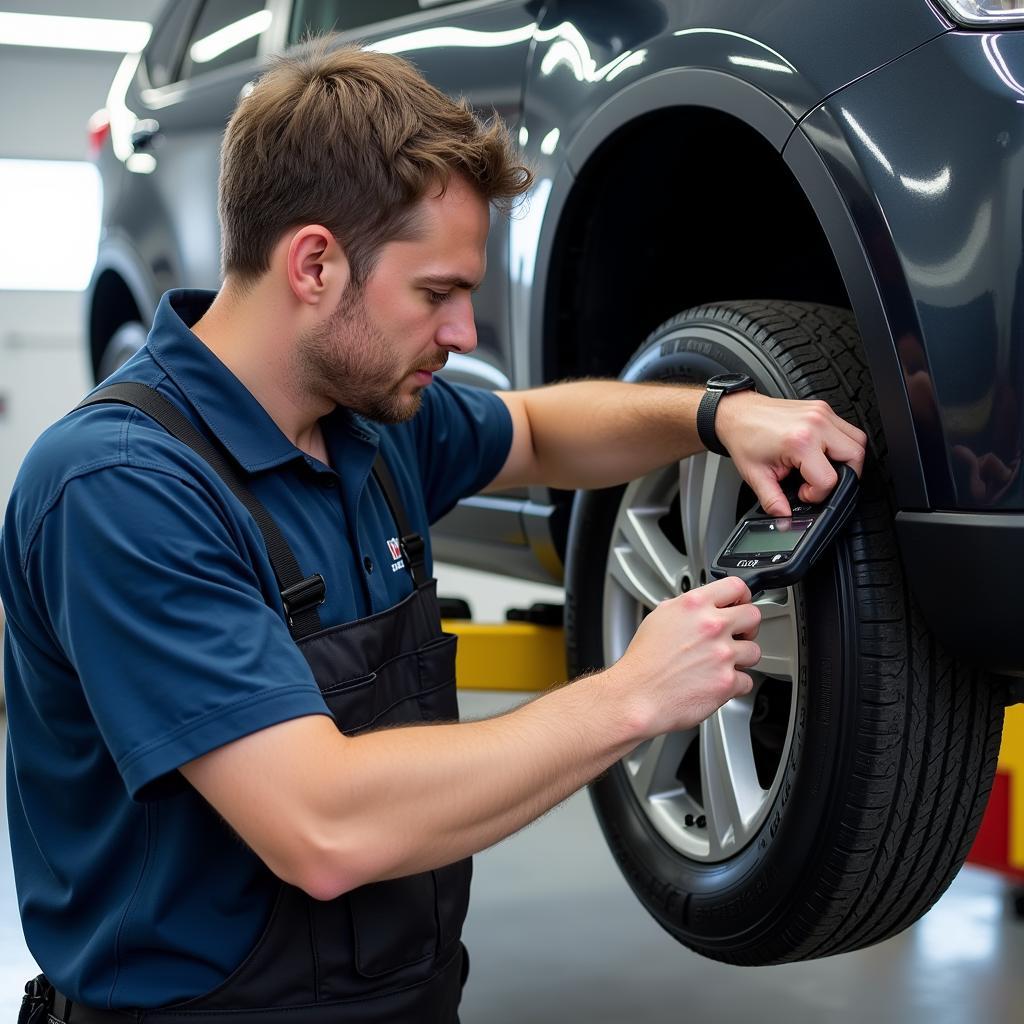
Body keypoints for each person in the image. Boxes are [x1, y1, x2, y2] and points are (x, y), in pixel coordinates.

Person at [0, 42, 866, 1024]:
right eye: (436, 293)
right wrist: (629, 697)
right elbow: (320, 825)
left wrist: (713, 415)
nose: (463, 333)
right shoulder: (122, 485)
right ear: (315, 263)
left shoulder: (366, 422)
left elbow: (536, 427)